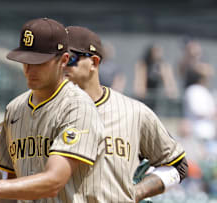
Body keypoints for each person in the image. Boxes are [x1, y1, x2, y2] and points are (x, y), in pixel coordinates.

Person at [0, 18, 104, 202]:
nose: (29, 69)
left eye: (40, 62)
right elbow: (10, 183)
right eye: (25, 61)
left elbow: (54, 182)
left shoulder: (79, 107)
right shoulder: (15, 108)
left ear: (63, 60)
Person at [64, 26, 188, 202]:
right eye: (56, 58)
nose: (62, 64)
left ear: (94, 62)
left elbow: (178, 166)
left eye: (71, 58)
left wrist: (136, 192)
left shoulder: (134, 112)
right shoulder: (31, 111)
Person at [134, 44, 178, 111]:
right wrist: (140, 93)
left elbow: (169, 82)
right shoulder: (144, 64)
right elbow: (140, 82)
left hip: (157, 96)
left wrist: (171, 92)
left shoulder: (163, 65)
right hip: (146, 95)